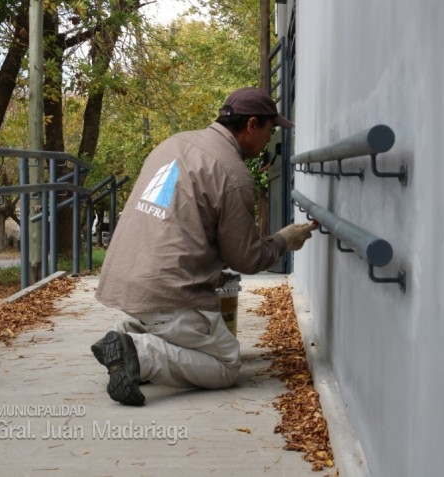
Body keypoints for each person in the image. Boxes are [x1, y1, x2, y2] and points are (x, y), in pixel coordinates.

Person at [91, 87, 317, 406]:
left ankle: (129, 332)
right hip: (167, 292)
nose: (270, 140)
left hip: (127, 280)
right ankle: (139, 353)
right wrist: (284, 240)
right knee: (226, 365)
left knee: (178, 331)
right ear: (252, 124)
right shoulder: (232, 173)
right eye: (270, 130)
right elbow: (247, 259)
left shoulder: (174, 143)